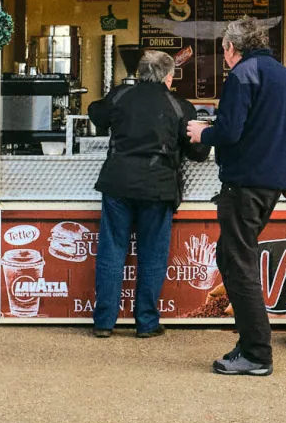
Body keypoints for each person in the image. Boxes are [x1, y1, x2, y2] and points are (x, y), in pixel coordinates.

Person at [187, 17, 286, 376]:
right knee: (231, 256)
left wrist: (203, 133)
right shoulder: (282, 75)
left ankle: (256, 352)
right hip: (270, 181)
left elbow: (230, 131)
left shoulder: (242, 74)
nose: (224, 57)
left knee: (238, 263)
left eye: (224, 51)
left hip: (245, 182)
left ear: (232, 48)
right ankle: (250, 343)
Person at [86, 50, 210, 338]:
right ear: (169, 77)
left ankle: (104, 322)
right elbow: (198, 153)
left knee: (112, 251)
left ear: (140, 74)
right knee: (152, 255)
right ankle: (146, 322)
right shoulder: (180, 107)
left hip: (118, 183)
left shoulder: (120, 96)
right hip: (158, 187)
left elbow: (95, 113)